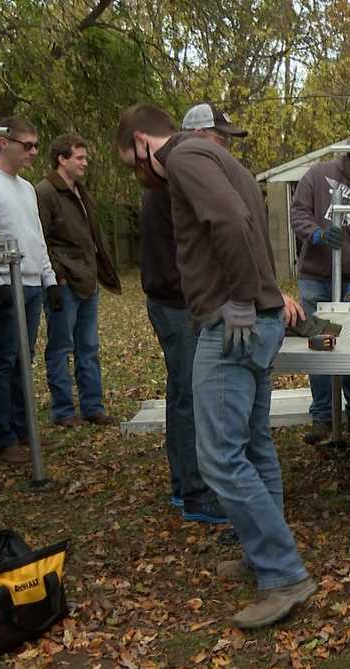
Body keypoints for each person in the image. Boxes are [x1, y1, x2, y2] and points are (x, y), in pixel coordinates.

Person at [115, 103, 313, 628]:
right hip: (255, 319)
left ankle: (283, 573)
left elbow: (229, 221)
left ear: (142, 141)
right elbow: (245, 223)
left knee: (221, 459)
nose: (139, 172)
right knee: (252, 445)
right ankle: (262, 557)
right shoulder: (220, 158)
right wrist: (263, 300)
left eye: (132, 161)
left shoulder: (182, 156)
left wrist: (244, 300)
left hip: (232, 324)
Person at [289, 130, 350, 445]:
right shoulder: (318, 175)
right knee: (318, 347)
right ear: (345, 155)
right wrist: (316, 234)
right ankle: (321, 416)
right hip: (315, 276)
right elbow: (297, 213)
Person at [0, 117, 63, 465]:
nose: (33, 152)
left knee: (23, 362)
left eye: (36, 145)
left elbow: (35, 237)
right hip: (3, 283)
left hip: (29, 284)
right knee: (3, 359)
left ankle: (24, 429)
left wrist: (49, 279)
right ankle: (4, 437)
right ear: (3, 142)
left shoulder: (26, 188)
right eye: (27, 144)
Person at [36, 133, 122, 429]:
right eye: (80, 158)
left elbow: (91, 238)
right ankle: (63, 412)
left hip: (88, 280)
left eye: (86, 157)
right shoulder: (45, 192)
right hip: (64, 283)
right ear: (62, 159)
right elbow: (40, 240)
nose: (86, 162)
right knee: (61, 348)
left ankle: (92, 408)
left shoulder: (81, 192)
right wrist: (57, 276)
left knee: (89, 347)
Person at [181, 102, 247, 148]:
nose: (226, 146)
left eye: (228, 140)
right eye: (222, 137)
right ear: (198, 135)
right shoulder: (176, 166)